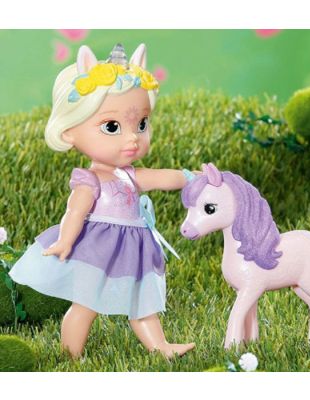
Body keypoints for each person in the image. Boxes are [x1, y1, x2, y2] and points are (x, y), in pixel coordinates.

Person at [10, 43, 195, 359]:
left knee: (142, 302)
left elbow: (163, 177)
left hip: (132, 250)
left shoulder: (131, 175)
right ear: (69, 132)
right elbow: (75, 211)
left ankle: (161, 346)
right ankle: (70, 353)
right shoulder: (90, 179)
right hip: (97, 250)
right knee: (85, 305)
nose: (133, 137)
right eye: (112, 127)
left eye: (141, 124)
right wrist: (66, 240)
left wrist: (190, 177)